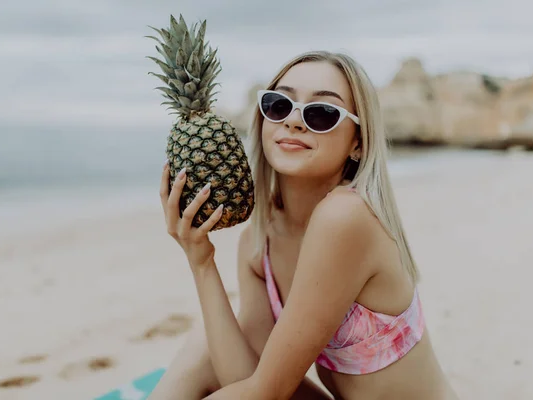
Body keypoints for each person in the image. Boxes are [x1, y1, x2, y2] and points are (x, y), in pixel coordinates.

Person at [149, 50, 459, 400]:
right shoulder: (258, 239)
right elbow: (244, 374)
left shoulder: (346, 216)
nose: (294, 122)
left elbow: (267, 392)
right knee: (206, 339)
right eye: (279, 105)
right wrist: (201, 262)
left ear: (358, 143)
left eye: (321, 113)